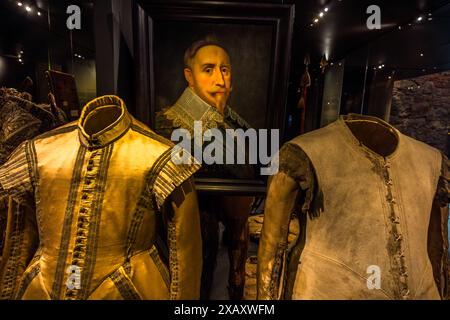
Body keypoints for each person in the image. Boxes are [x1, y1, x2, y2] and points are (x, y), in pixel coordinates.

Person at [156, 39, 255, 299]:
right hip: (191, 246)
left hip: (230, 245)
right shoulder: (169, 125)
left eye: (225, 70)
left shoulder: (233, 124)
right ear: (190, 76)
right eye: (208, 69)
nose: (220, 79)